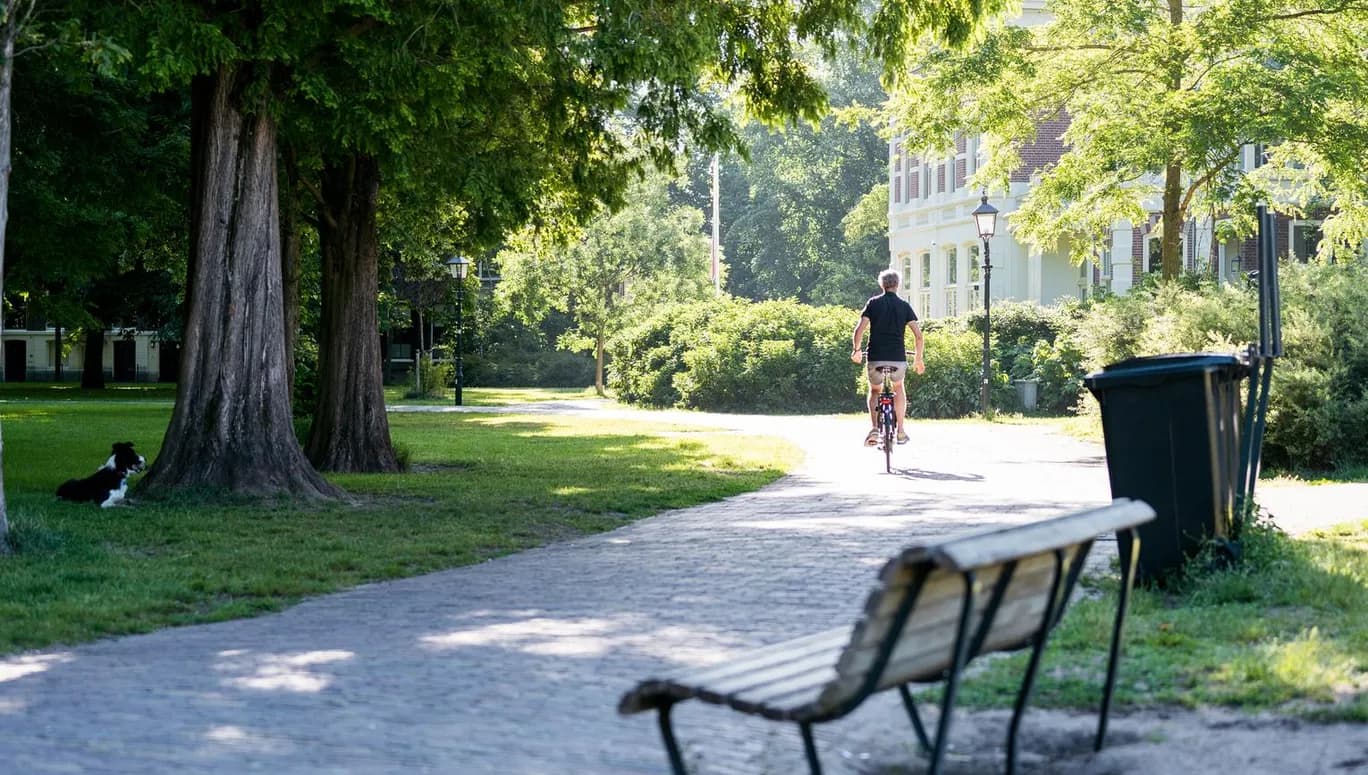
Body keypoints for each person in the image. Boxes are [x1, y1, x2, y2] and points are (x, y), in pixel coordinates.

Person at [850, 269, 925, 446]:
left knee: (875, 390)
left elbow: (859, 330)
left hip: (875, 357)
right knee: (898, 388)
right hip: (897, 358)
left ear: (882, 285)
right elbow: (919, 336)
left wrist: (857, 350)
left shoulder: (873, 303)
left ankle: (875, 428)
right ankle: (900, 432)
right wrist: (918, 359)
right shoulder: (904, 306)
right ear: (897, 285)